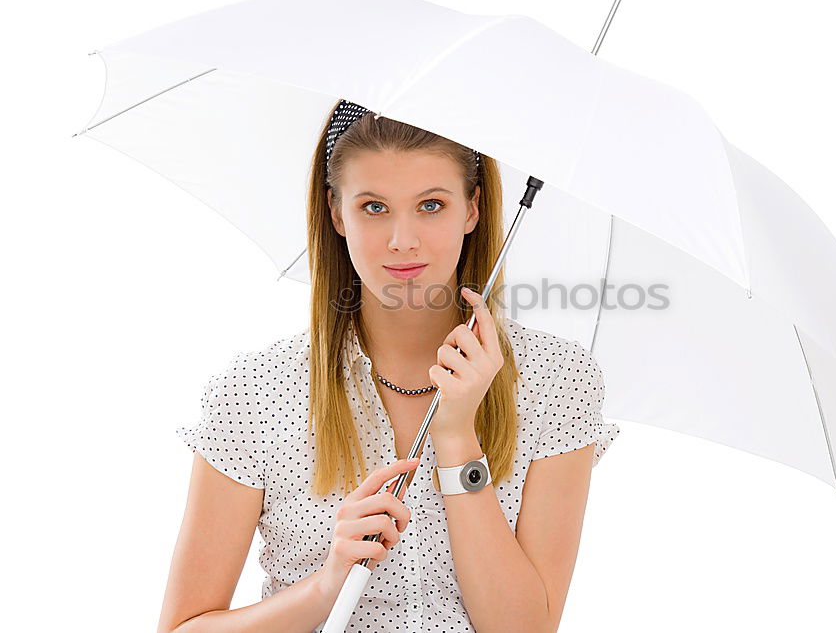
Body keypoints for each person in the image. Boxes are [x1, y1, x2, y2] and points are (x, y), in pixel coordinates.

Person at [157, 100, 620, 632]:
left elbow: (524, 629)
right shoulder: (257, 391)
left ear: (473, 209)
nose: (403, 240)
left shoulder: (556, 381)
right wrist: (326, 585)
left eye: (431, 205)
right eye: (374, 207)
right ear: (336, 212)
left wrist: (457, 439)